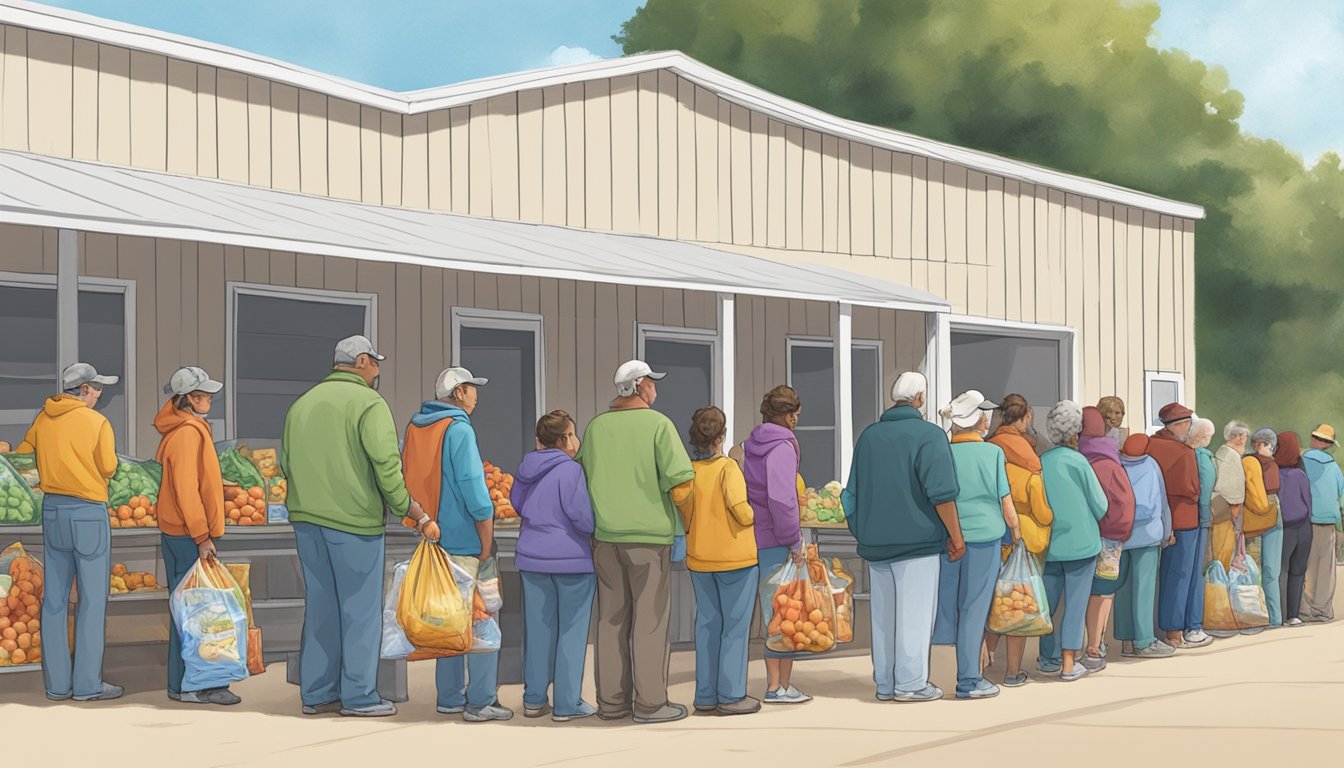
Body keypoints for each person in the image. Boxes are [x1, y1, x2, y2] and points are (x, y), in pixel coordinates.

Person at [282, 335, 432, 718]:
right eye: (376, 364)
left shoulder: (302, 405)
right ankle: (359, 697)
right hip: (354, 523)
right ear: (362, 362)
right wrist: (409, 509)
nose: (379, 371)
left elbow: (286, 462)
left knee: (320, 607)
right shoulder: (369, 403)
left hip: (306, 521)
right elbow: (387, 466)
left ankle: (316, 693)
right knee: (360, 611)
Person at [577, 360, 695, 724]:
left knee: (610, 621)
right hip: (648, 537)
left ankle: (611, 704)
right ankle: (650, 704)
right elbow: (681, 486)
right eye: (651, 383)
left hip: (604, 538)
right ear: (641, 386)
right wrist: (688, 523)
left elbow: (580, 473)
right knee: (650, 621)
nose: (654, 389)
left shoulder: (596, 427)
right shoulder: (659, 425)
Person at [842, 372, 964, 703]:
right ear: (921, 398)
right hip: (919, 543)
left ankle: (884, 682)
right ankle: (910, 684)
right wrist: (956, 537)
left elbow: (850, 495)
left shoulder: (869, 437)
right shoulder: (930, 436)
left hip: (876, 543)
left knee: (883, 618)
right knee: (915, 614)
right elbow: (942, 495)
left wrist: (863, 529)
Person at [405, 367, 513, 722]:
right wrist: (487, 535)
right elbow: (473, 487)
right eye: (472, 389)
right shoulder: (459, 428)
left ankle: (449, 697)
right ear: (460, 393)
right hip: (465, 539)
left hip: (433, 536)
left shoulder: (418, 428)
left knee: (445, 617)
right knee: (481, 618)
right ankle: (480, 701)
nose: (476, 395)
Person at [18, 363, 122, 702]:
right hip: (88, 513)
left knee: (55, 601)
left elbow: (23, 456)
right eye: (97, 390)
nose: (99, 396)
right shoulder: (97, 422)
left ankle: (57, 685)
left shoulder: (43, 419)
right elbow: (108, 466)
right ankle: (88, 685)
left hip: (53, 511)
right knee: (92, 601)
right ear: (85, 390)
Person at [153, 366, 237, 706]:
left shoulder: (180, 430)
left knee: (183, 609)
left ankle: (181, 683)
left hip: (176, 531)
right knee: (200, 611)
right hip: (189, 535)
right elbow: (187, 489)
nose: (209, 401)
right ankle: (197, 686)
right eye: (203, 396)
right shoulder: (188, 433)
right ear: (188, 399)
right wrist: (202, 535)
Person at [510, 410, 597, 722]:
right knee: (571, 631)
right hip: (571, 559)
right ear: (563, 440)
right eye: (572, 434)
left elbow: (516, 504)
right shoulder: (570, 471)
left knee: (538, 630)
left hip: (532, 558)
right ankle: (566, 702)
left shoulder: (525, 468)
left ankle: (534, 699)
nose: (575, 440)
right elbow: (582, 519)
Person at [933, 390, 1014, 700]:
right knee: (974, 607)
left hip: (948, 538)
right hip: (985, 538)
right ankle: (968, 679)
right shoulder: (993, 454)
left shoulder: (943, 454)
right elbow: (1006, 506)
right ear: (980, 420)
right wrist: (1016, 535)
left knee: (946, 605)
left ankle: (939, 674)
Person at [681, 406, 760, 716]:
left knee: (707, 625)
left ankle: (705, 695)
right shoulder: (728, 468)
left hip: (699, 557)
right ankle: (730, 695)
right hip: (734, 558)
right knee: (735, 628)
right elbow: (742, 511)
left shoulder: (688, 470)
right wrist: (755, 512)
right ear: (721, 437)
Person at [743, 385, 812, 705]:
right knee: (785, 613)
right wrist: (795, 540)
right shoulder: (782, 447)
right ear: (791, 414)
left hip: (753, 538)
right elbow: (782, 499)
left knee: (772, 611)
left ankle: (780, 684)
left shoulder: (752, 443)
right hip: (776, 538)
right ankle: (777, 686)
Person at [984, 394, 1053, 687]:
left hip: (993, 539)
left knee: (992, 604)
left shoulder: (988, 451)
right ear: (1025, 418)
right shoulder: (1031, 466)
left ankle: (984, 661)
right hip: (1025, 541)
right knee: (1018, 606)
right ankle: (1012, 672)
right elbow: (1043, 513)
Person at [1036, 401, 1108, 682]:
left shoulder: (1042, 462)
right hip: (1081, 543)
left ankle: (1047, 659)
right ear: (1076, 431)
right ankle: (1069, 662)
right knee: (1076, 604)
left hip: (1050, 543)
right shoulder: (1080, 462)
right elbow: (1100, 505)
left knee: (1049, 603)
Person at [1146, 403, 1208, 649]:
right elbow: (1193, 489)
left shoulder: (1151, 445)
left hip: (1157, 521)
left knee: (1163, 576)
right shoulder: (1184, 452)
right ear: (1180, 425)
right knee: (1181, 576)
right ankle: (1174, 633)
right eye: (1188, 423)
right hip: (1184, 520)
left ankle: (1164, 631)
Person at [1079, 406, 1136, 671]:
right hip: (1109, 536)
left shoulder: (1076, 457)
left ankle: (1067, 650)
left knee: (1080, 590)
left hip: (1078, 536)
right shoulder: (1109, 462)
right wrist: (1121, 533)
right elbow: (1123, 504)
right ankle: (1094, 647)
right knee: (1103, 592)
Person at [1115, 435, 1175, 657]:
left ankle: (1126, 640)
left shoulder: (1117, 463)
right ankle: (1145, 641)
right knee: (1145, 588)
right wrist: (1168, 530)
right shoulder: (1151, 464)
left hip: (1122, 534)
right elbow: (1163, 501)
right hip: (1148, 534)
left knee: (1122, 588)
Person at [1301, 424, 1344, 622]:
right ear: (1328, 444)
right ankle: (1322, 611)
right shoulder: (1333, 467)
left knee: (1306, 566)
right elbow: (1341, 498)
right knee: (1326, 569)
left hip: (1305, 521)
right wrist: (1340, 526)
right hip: (1328, 522)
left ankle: (1304, 610)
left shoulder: (1300, 461)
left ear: (1313, 438)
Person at [1243, 428, 1282, 632]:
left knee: (1253, 566)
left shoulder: (1247, 461)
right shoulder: (1270, 465)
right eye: (1259, 444)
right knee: (1270, 569)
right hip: (1270, 511)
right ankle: (1273, 617)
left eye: (1262, 444)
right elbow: (1273, 487)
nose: (1260, 448)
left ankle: (1257, 615)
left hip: (1249, 515)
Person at [1274, 431, 1313, 627]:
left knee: (1281, 571)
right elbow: (1308, 501)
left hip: (1283, 528)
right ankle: (1293, 615)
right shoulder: (1300, 474)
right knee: (1298, 571)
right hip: (1304, 527)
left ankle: (1278, 615)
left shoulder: (1273, 472)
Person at [1184, 418, 1217, 645]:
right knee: (1196, 573)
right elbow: (1206, 492)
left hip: (1182, 519)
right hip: (1198, 520)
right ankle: (1193, 626)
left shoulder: (1185, 454)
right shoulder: (1203, 458)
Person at [1211, 421, 1249, 569]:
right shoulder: (1231, 456)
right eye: (1237, 435)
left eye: (1243, 435)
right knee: (1228, 550)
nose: (1241, 438)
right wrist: (1235, 507)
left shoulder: (1224, 452)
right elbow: (1230, 486)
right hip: (1228, 509)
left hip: (1220, 506)